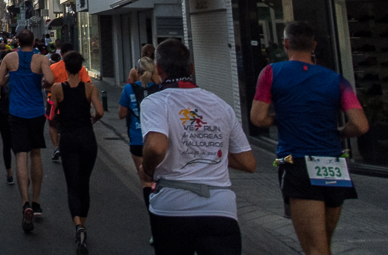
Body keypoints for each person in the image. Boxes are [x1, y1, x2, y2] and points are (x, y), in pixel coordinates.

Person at [250, 21, 368, 255]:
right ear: (313, 45)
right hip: (334, 164)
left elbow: (258, 118)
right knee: (324, 244)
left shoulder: (271, 72)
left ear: (285, 44)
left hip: (297, 162)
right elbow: (360, 125)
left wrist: (280, 118)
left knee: (315, 248)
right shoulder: (336, 79)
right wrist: (339, 132)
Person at [141, 39, 256, 255]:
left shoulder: (155, 102)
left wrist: (146, 170)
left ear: (159, 69)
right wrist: (206, 148)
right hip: (221, 208)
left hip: (172, 206)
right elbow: (248, 162)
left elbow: (156, 147)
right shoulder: (221, 105)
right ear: (191, 69)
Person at [0, 27, 53, 233]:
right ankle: (36, 203)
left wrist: (12, 76)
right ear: (35, 41)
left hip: (16, 112)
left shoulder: (10, 58)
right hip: (37, 112)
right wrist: (42, 82)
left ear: (18, 41)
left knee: (21, 155)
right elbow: (51, 80)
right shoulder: (41, 59)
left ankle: (25, 202)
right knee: (36, 153)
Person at [50, 51, 104, 254]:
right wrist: (93, 120)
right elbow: (99, 111)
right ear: (81, 68)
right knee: (84, 183)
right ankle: (84, 222)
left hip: (69, 139)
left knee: (72, 184)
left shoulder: (57, 88)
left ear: (65, 67)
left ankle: (78, 226)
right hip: (87, 138)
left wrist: (60, 123)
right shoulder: (90, 89)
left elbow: (52, 114)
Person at [119, 56, 160, 217]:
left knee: (146, 181)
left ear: (137, 71)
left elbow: (121, 114)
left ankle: (153, 218)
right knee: (159, 179)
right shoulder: (160, 89)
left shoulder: (129, 89)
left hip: (137, 140)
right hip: (157, 140)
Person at [49, 42, 90, 162]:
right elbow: (87, 84)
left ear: (61, 53)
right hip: (74, 101)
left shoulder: (53, 67)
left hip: (53, 101)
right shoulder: (80, 68)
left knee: (52, 124)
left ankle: (57, 147)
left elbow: (47, 85)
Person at [0, 60, 15, 184]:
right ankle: (22, 171)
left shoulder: (1, 79)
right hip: (16, 111)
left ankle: (9, 174)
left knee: (6, 144)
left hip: (3, 111)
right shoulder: (17, 78)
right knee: (19, 144)